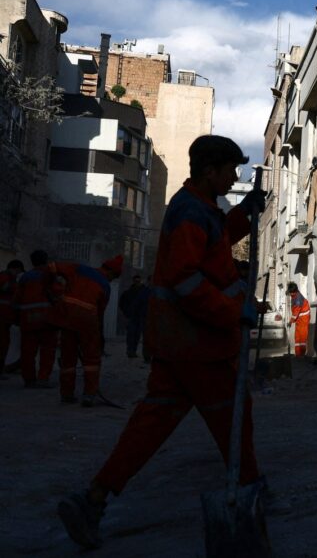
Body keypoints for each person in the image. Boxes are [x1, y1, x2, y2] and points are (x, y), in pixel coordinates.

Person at [58, 135, 267, 550]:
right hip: (199, 345)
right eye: (230, 170)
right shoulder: (191, 211)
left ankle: (93, 499)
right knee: (232, 416)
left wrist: (244, 213)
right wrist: (233, 312)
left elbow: (216, 240)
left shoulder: (198, 207)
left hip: (179, 344)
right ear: (209, 171)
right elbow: (186, 278)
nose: (234, 177)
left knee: (151, 425)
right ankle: (249, 492)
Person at [51, 256, 122, 406]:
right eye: (113, 277)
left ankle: (66, 394)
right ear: (110, 272)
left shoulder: (79, 269)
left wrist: (52, 289)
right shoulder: (105, 285)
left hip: (68, 318)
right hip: (88, 321)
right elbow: (100, 312)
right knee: (91, 360)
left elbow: (51, 267)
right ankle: (89, 395)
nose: (111, 280)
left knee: (68, 358)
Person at [14, 250, 59, 388]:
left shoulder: (25, 278)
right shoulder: (52, 276)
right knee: (48, 351)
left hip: (28, 321)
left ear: (32, 261)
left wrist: (17, 318)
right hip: (48, 321)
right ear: (45, 260)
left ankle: (29, 379)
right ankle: (43, 378)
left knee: (27, 352)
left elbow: (16, 300)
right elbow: (59, 297)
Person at [0, 259, 24, 376]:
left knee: (5, 343)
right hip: (2, 316)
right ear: (15, 268)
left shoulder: (11, 278)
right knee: (2, 343)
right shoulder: (5, 277)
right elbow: (5, 288)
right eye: (18, 271)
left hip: (6, 317)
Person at [119, 276, 151, 360]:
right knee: (132, 334)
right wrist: (127, 312)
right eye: (136, 281)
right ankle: (131, 351)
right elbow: (122, 303)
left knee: (136, 334)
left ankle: (132, 351)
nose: (137, 282)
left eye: (138, 281)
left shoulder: (144, 291)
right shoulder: (129, 293)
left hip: (140, 316)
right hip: (134, 316)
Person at [286, 282, 310, 357]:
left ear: (294, 292)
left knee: (302, 338)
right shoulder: (295, 295)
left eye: (291, 293)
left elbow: (295, 313)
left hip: (303, 319)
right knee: (297, 337)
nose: (290, 295)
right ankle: (298, 355)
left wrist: (290, 322)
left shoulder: (298, 299)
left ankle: (301, 355)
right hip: (299, 319)